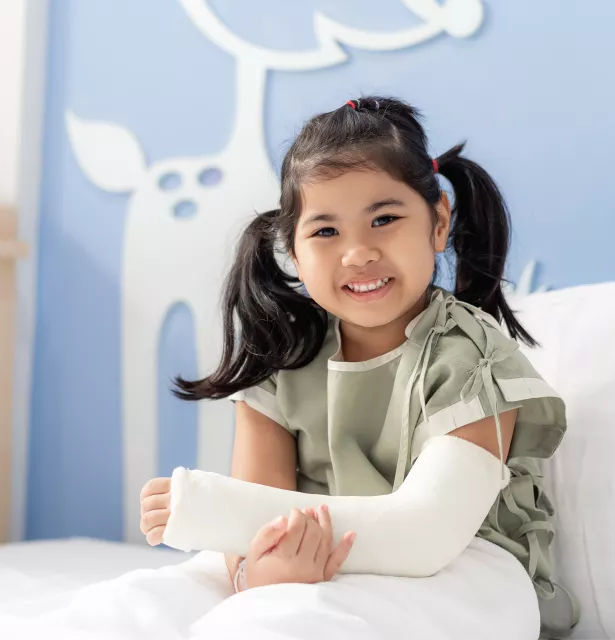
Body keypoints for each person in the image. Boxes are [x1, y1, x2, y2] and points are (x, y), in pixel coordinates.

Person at [135, 96, 578, 639]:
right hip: (327, 554)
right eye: (326, 232)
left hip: (461, 567)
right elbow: (251, 521)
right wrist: (258, 571)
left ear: (438, 223)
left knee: (314, 622)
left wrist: (212, 511)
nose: (358, 252)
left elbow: (425, 534)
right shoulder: (283, 361)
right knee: (155, 603)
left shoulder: (469, 359)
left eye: (384, 219)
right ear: (293, 251)